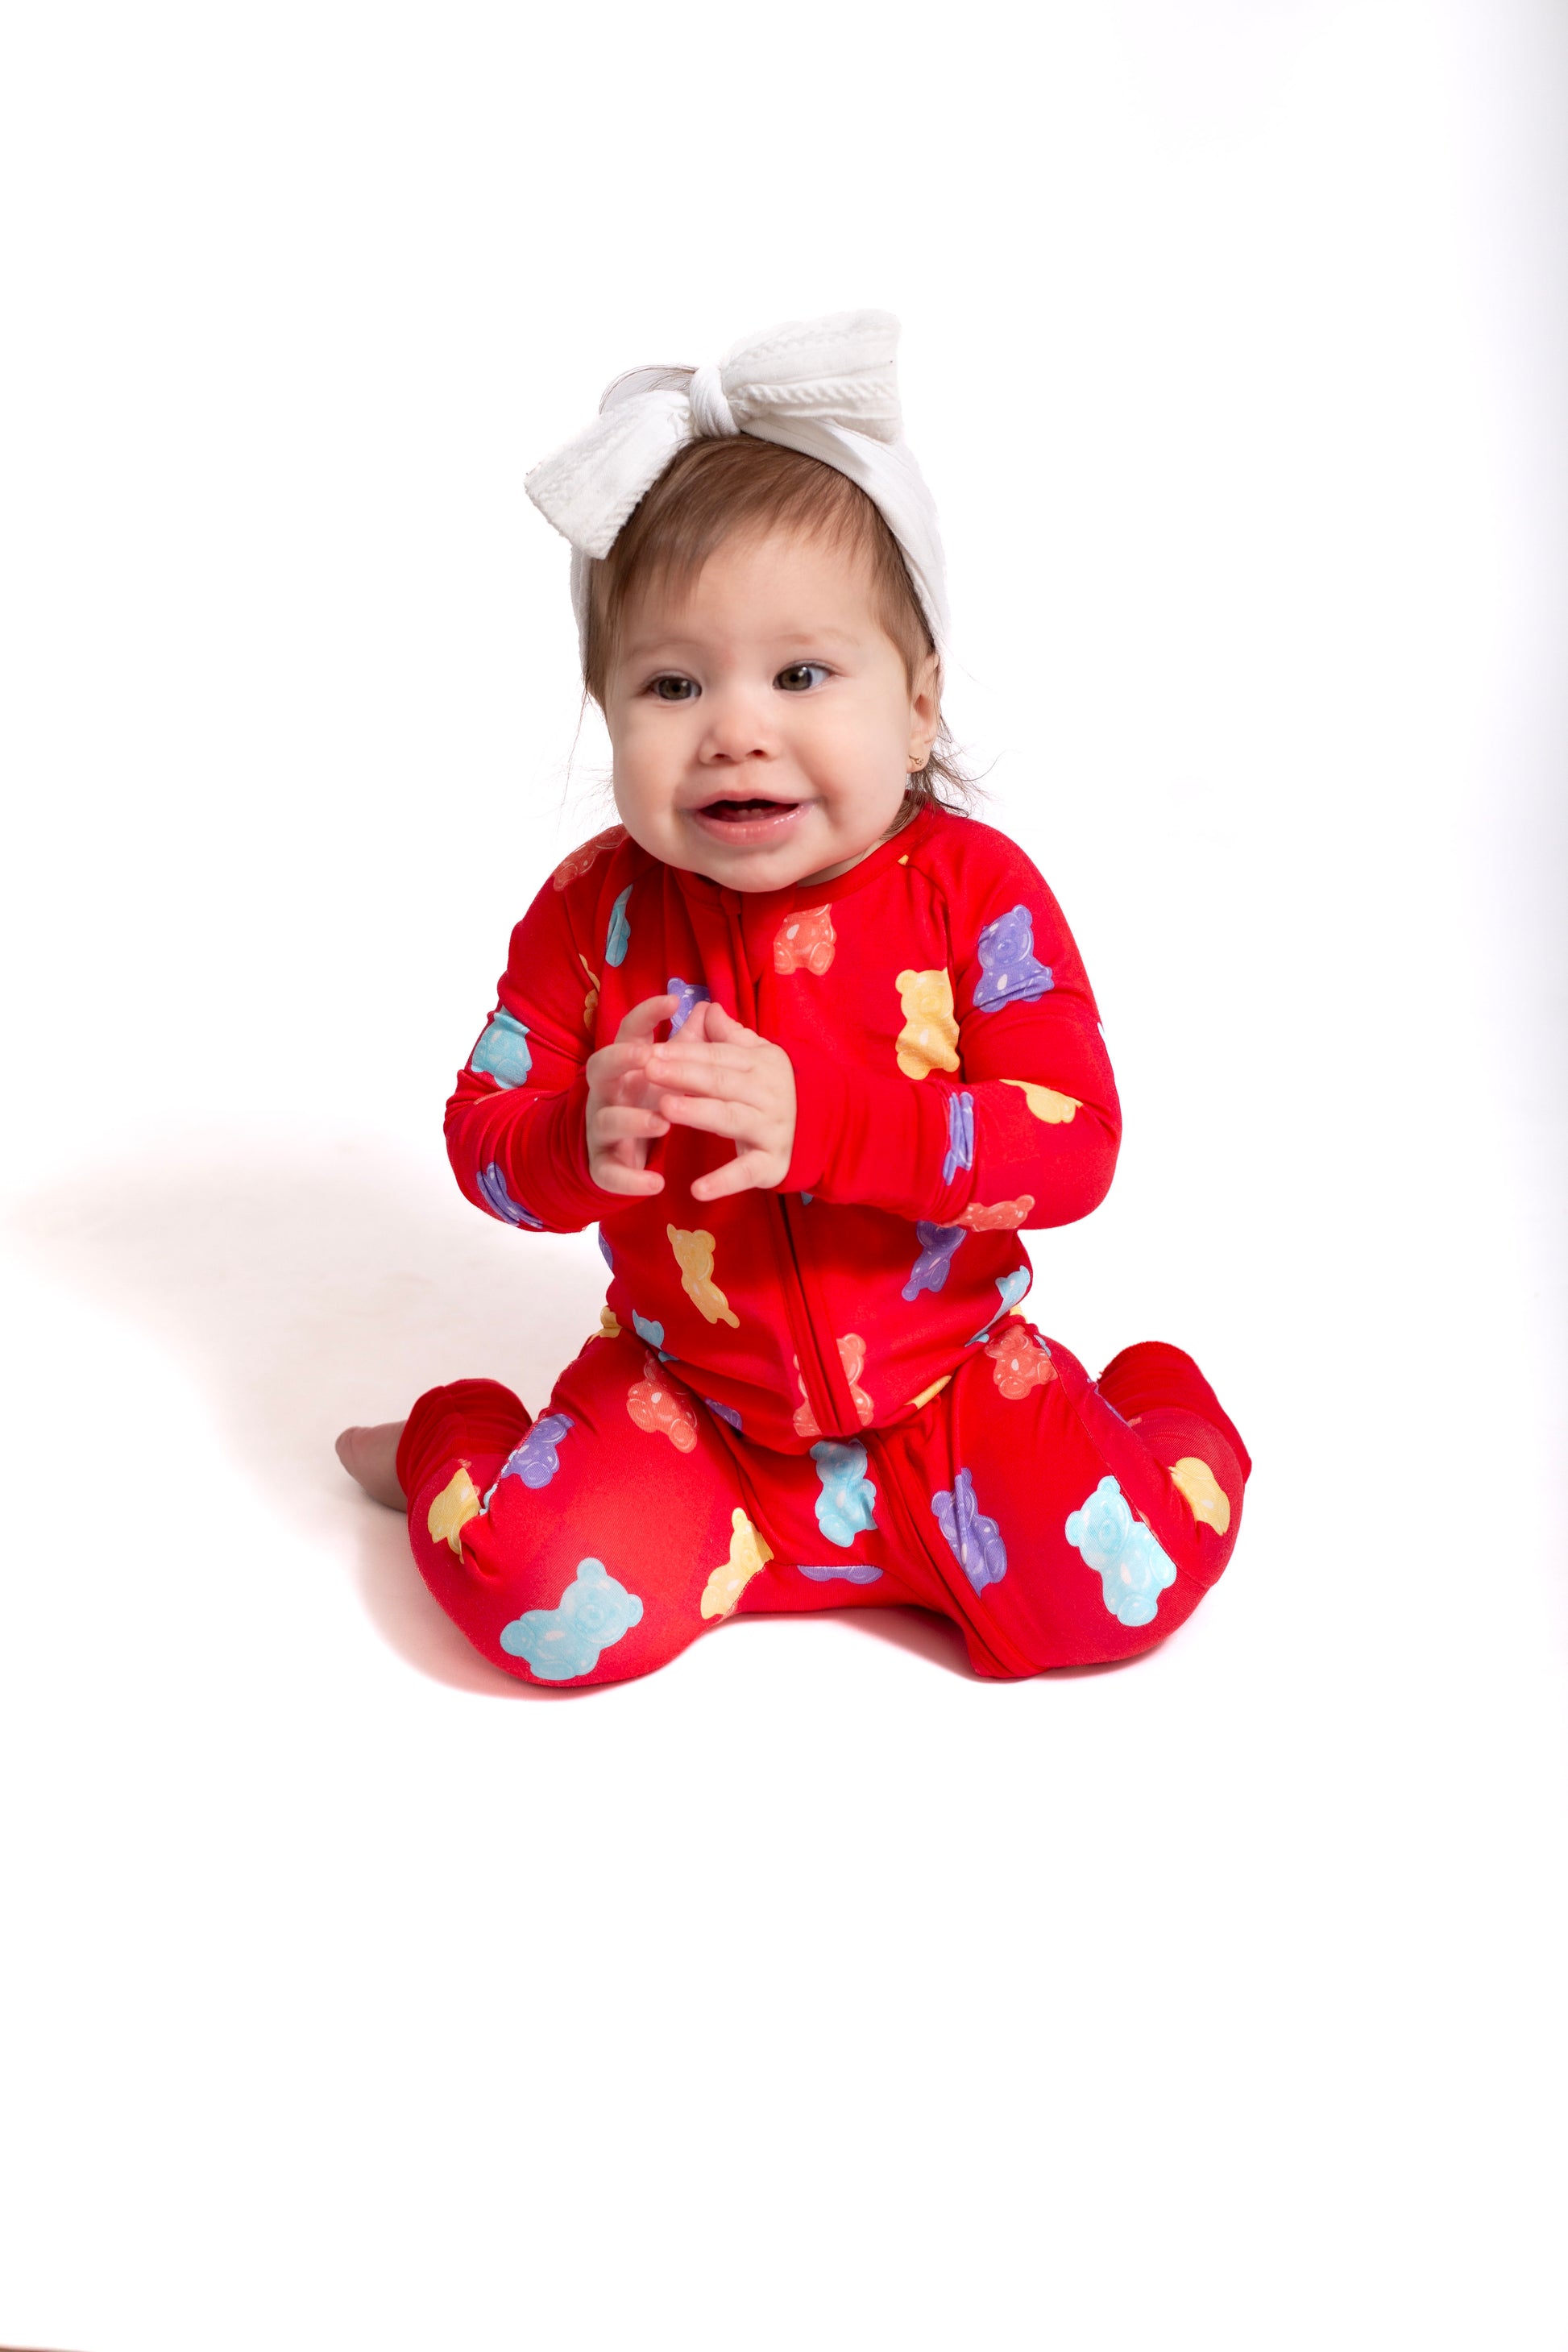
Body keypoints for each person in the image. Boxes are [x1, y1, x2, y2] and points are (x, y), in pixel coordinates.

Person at [336, 309, 1249, 1688]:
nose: (736, 726)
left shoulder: (971, 892)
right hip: (694, 1410)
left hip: (950, 1396)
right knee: (544, 1611)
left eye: (803, 672)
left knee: (1107, 1605)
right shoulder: (595, 915)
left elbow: (1070, 1146)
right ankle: (455, 1432)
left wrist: (833, 1123)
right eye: (672, 681)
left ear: (920, 702)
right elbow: (485, 1143)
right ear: (607, 710)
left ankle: (1149, 1405)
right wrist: (574, 1138)